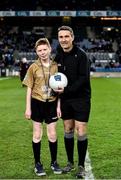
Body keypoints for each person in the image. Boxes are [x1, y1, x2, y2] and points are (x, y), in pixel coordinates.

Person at [54, 26, 91, 179]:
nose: (64, 39)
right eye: (61, 37)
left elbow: (83, 79)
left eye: (66, 36)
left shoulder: (81, 55)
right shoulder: (58, 56)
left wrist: (66, 90)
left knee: (80, 129)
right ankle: (70, 162)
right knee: (68, 128)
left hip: (81, 98)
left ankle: (81, 165)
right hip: (65, 99)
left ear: (72, 37)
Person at [22, 38, 62, 176]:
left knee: (52, 134)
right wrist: (28, 108)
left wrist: (58, 106)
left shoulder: (56, 66)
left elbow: (59, 88)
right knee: (37, 134)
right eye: (39, 50)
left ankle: (54, 162)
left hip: (51, 103)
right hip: (37, 103)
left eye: (45, 49)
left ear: (50, 49)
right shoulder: (33, 67)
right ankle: (38, 164)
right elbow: (29, 88)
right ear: (36, 52)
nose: (43, 52)